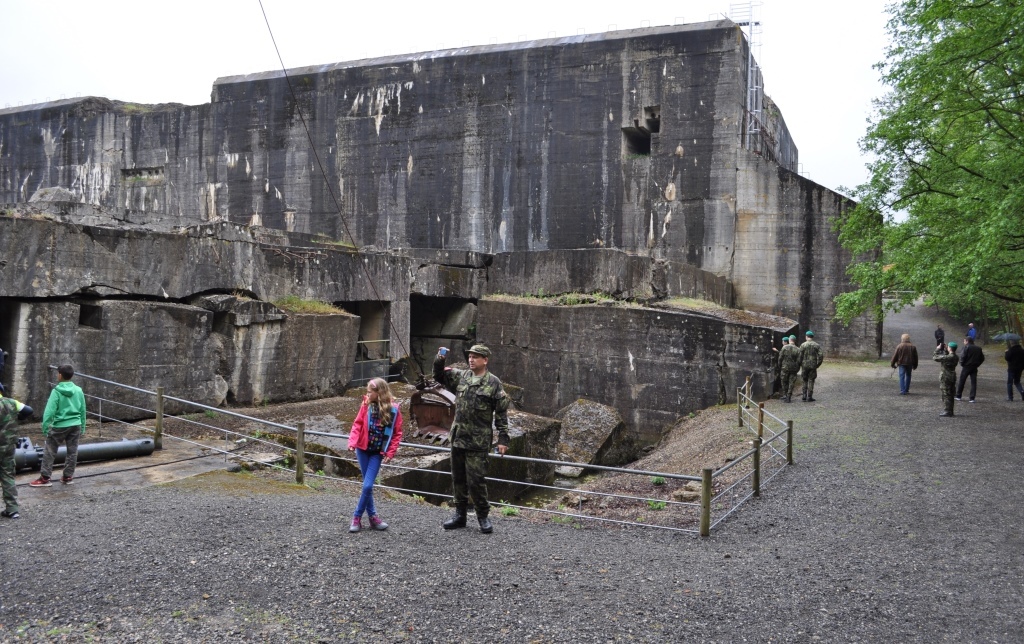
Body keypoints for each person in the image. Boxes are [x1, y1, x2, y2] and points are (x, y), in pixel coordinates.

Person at [434, 343, 510, 534]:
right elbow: (439, 376)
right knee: (458, 478)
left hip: (478, 440)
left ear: (485, 360)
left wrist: (503, 438)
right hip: (459, 437)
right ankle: (460, 515)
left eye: (476, 356)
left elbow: (501, 413)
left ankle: (482, 516)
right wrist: (439, 360)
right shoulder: (461, 376)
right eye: (470, 356)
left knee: (476, 480)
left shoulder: (494, 383)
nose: (471, 359)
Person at [347, 377, 403, 533]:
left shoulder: (394, 410)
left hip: (377, 452)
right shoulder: (366, 406)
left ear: (379, 393)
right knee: (367, 486)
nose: (367, 394)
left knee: (367, 485)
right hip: (362, 449)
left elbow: (397, 433)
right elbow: (357, 424)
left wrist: (390, 452)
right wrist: (352, 442)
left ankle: (356, 517)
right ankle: (373, 518)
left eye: (370, 392)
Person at [29, 364, 87, 487]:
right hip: (76, 424)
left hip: (60, 425)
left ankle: (45, 478)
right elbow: (83, 410)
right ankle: (68, 476)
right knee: (72, 452)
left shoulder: (56, 391)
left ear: (60, 375)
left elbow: (49, 411)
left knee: (50, 451)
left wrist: (45, 427)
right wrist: (83, 426)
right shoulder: (79, 390)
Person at [1, 394, 34, 519]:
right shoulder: (11, 402)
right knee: (7, 475)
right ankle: (12, 509)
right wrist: (17, 417)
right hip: (8, 445)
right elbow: (29, 410)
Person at [955, 337, 985, 403]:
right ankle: (972, 398)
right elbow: (982, 358)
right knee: (973, 383)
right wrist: (978, 364)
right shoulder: (978, 348)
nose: (964, 342)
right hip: (974, 367)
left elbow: (963, 356)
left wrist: (962, 364)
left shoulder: (966, 348)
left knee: (962, 381)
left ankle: (958, 396)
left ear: (967, 341)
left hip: (966, 366)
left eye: (964, 341)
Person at [934, 341, 959, 417]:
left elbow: (935, 357)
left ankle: (947, 411)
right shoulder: (955, 356)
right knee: (950, 393)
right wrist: (946, 350)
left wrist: (937, 349)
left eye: (948, 347)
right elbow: (946, 357)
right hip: (951, 376)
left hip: (946, 376)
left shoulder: (949, 357)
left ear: (950, 348)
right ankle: (950, 410)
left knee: (946, 394)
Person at [773, 335, 800, 403]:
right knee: (791, 382)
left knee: (784, 381)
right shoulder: (798, 349)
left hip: (785, 367)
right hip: (794, 368)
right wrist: (797, 368)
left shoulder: (785, 347)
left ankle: (785, 394)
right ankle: (789, 396)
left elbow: (780, 358)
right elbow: (799, 360)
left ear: (790, 340)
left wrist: (780, 366)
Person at [798, 331, 824, 402]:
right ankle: (809, 396)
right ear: (812, 337)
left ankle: (804, 395)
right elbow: (821, 355)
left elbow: (800, 356)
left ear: (806, 336)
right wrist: (818, 364)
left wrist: (800, 364)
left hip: (804, 365)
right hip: (813, 365)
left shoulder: (803, 345)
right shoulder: (816, 345)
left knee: (804, 380)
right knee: (811, 380)